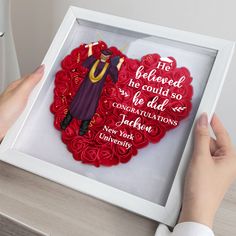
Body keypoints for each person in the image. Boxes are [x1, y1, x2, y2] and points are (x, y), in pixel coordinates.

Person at [0, 66, 236, 236]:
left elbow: (116, 76)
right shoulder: (93, 64)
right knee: (79, 108)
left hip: (96, 98)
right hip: (85, 92)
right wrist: (198, 215)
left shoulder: (112, 71)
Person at [60, 42, 125, 135]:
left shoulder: (94, 61)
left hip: (85, 88)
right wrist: (121, 62)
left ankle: (64, 124)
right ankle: (82, 130)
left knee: (78, 102)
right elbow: (115, 71)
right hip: (95, 92)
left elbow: (89, 57)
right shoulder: (108, 67)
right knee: (90, 107)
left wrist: (90, 47)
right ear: (107, 58)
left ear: (101, 56)